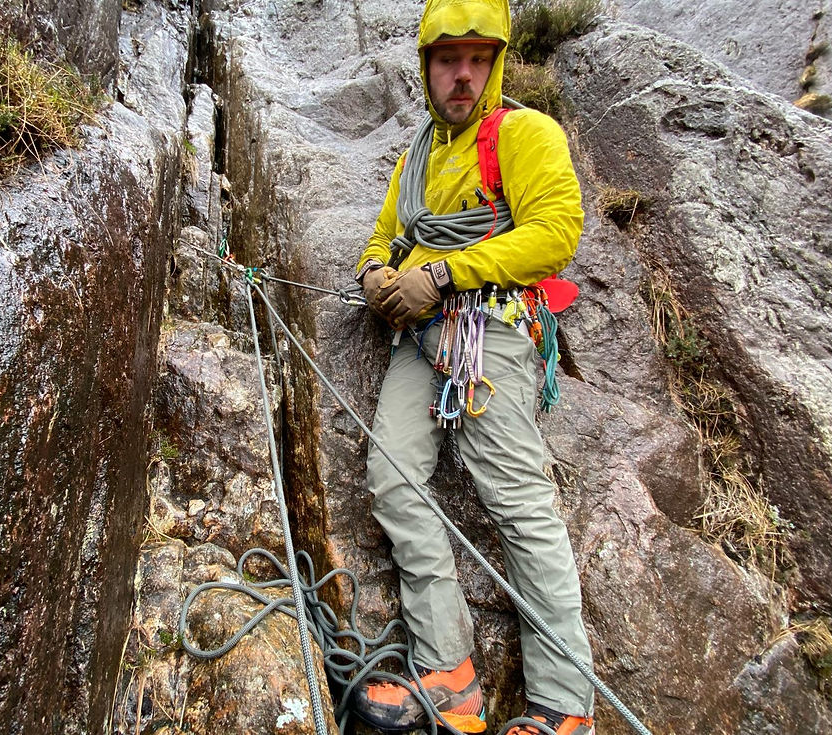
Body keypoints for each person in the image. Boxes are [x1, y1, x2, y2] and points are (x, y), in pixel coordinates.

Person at [351, 0, 596, 733]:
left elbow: (556, 232)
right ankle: (450, 678)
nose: (463, 74)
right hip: (422, 339)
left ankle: (565, 707)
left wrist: (447, 274)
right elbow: (382, 238)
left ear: (494, 64)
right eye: (448, 59)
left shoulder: (522, 134)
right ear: (425, 66)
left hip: (490, 328)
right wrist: (374, 279)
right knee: (393, 479)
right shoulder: (416, 159)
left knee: (516, 499)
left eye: (478, 59)